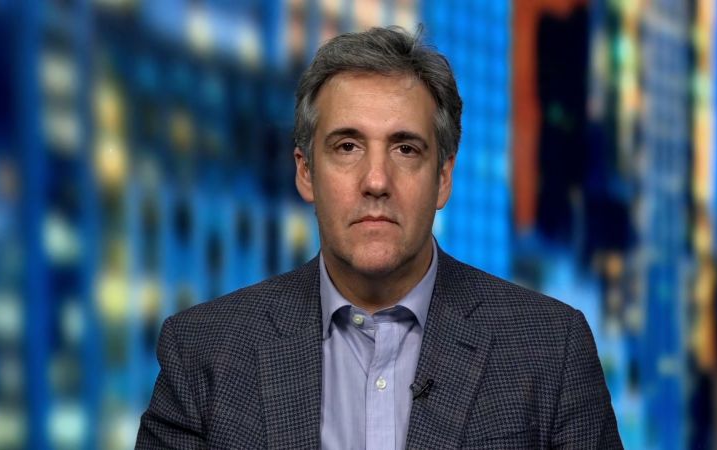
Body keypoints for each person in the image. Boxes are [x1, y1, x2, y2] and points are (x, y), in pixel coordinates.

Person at [136, 26, 622, 449]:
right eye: (347, 146)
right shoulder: (201, 351)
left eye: (405, 149)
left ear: (443, 177)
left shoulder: (552, 349)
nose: (375, 180)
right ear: (305, 173)